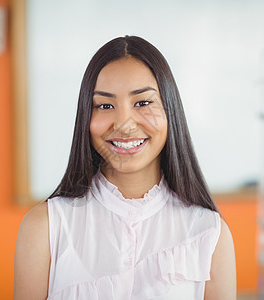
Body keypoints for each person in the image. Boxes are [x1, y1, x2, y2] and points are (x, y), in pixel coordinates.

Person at [14, 35, 236, 300]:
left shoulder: (210, 233)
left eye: (142, 102)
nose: (124, 124)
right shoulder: (45, 228)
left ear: (170, 110)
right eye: (105, 105)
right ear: (86, 115)